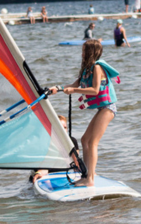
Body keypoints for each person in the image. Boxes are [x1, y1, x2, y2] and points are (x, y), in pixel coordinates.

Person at [48, 40, 119, 187]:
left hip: (108, 108)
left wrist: (74, 91)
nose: (81, 53)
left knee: (92, 142)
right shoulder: (87, 69)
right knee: (85, 139)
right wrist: (57, 88)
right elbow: (74, 85)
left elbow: (95, 90)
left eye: (84, 51)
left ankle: (90, 179)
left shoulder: (97, 67)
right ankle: (86, 175)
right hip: (102, 109)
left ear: (91, 52)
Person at [30, 115, 76, 183]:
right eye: (60, 128)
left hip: (62, 173)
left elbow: (76, 162)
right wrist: (40, 172)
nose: (63, 130)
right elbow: (45, 164)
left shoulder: (71, 141)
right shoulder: (45, 142)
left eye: (65, 127)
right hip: (45, 171)